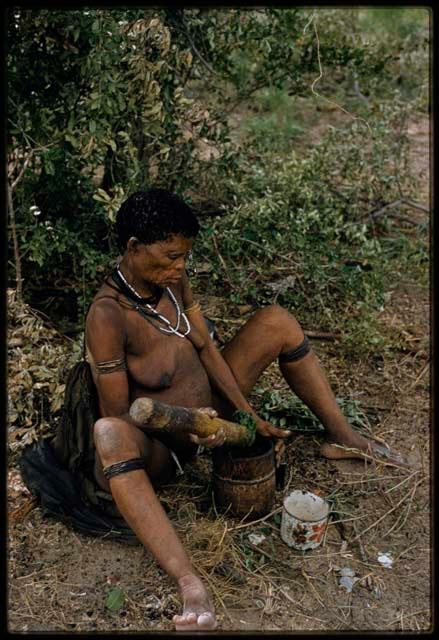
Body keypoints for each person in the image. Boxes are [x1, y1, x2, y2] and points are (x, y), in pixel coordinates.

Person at [84, 188, 407, 631]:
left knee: (275, 320)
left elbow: (207, 349)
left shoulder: (171, 280)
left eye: (184, 258)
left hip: (208, 416)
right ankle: (190, 584)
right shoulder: (108, 314)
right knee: (108, 433)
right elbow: (121, 414)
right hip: (165, 445)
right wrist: (188, 429)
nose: (179, 268)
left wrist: (245, 415)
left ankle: (345, 437)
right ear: (134, 248)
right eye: (170, 256)